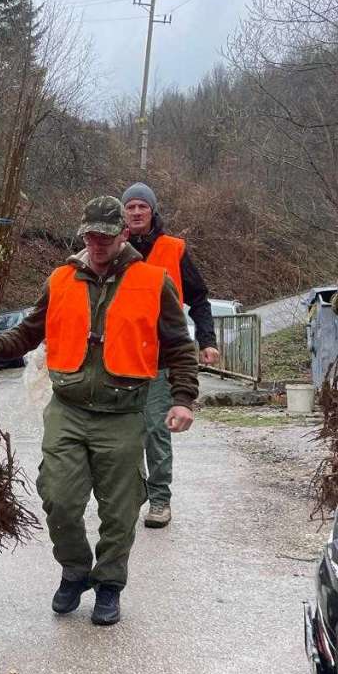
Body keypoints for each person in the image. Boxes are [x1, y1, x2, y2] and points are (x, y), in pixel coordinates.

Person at [0, 195, 198, 627]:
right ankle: (75, 570)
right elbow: (30, 329)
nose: (96, 243)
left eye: (105, 236)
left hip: (123, 411)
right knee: (57, 497)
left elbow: (180, 347)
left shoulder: (153, 281)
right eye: (90, 235)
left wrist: (184, 399)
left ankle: (109, 583)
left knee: (120, 509)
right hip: (69, 408)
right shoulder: (60, 279)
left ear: (123, 234)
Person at [121, 183, 219, 530]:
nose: (135, 212)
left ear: (152, 211)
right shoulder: (113, 248)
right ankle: (134, 493)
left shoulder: (173, 249)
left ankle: (160, 500)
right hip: (121, 358)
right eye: (130, 207)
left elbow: (200, 298)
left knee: (155, 432)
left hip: (161, 358)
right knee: (121, 433)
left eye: (141, 207)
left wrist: (206, 339)